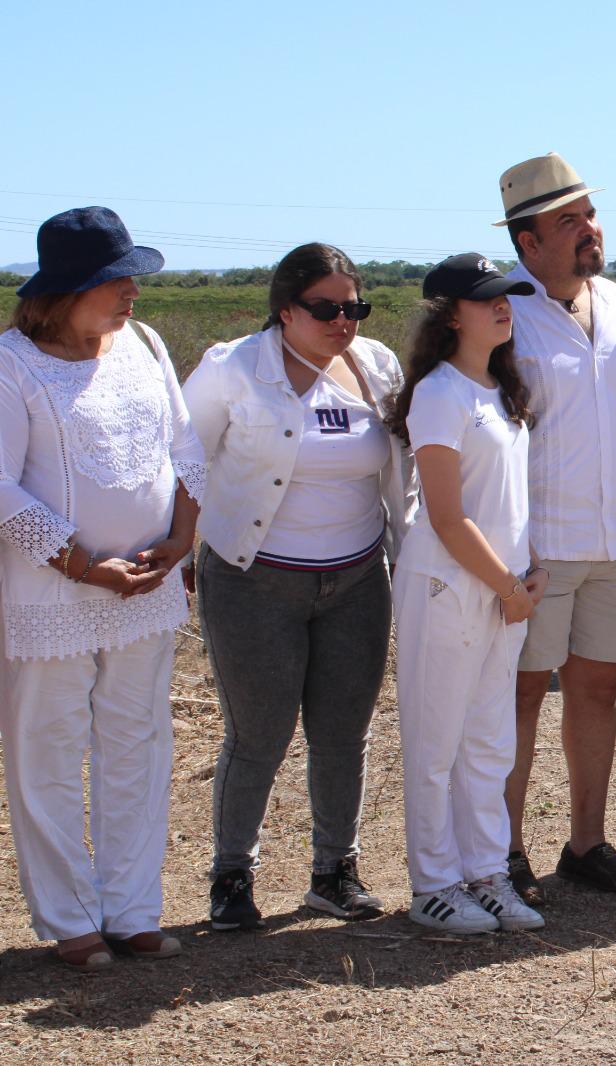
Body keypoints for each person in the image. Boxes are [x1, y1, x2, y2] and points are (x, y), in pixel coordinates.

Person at [184, 243, 413, 931]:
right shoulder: (232, 369)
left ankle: (334, 872)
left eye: (354, 307)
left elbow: (400, 470)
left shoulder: (377, 367)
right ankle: (232, 876)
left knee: (344, 733)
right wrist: (176, 554)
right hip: (255, 578)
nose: (343, 321)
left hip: (355, 578)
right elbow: (184, 459)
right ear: (284, 310)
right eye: (326, 308)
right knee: (258, 735)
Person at [0, 207, 199, 969]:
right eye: (115, 281)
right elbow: (3, 487)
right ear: (64, 291)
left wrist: (180, 542)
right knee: (46, 748)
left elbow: (183, 449)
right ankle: (71, 920)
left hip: (147, 587)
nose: (132, 294)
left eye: (132, 279)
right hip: (52, 598)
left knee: (139, 744)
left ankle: (132, 908)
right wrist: (81, 564)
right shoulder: (12, 364)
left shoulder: (144, 346)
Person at [496, 153, 616, 899]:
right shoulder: (504, 313)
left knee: (599, 689)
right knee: (523, 694)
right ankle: (503, 852)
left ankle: (586, 844)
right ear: (527, 244)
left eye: (588, 214)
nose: (588, 229)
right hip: (539, 544)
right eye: (568, 220)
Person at [386, 254, 549, 933]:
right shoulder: (440, 394)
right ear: (451, 314)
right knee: (437, 742)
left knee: (488, 740)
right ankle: (434, 884)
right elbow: (447, 517)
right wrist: (509, 585)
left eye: (507, 297)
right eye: (487, 300)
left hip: (501, 592)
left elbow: (507, 504)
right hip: (449, 587)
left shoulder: (501, 391)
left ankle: (485, 872)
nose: (503, 307)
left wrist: (522, 578)